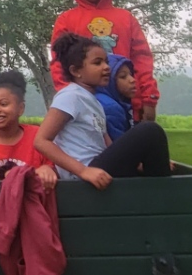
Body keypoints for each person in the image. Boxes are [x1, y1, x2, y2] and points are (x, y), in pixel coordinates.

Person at [35, 31, 170, 188]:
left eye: (106, 62)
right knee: (149, 130)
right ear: (76, 71)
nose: (106, 67)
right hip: (84, 173)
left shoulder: (94, 102)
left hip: (100, 168)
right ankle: (163, 197)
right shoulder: (70, 95)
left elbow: (108, 146)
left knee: (151, 141)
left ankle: (159, 196)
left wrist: (138, 160)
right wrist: (83, 171)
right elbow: (41, 141)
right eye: (98, 63)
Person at [48, 0, 159, 121]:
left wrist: (149, 98)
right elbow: (59, 62)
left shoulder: (126, 18)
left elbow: (142, 60)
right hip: (85, 101)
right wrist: (69, 95)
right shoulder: (66, 20)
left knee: (129, 145)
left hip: (127, 101)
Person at [0, 70, 58, 191]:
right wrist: (10, 176)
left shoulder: (38, 136)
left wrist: (47, 170)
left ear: (20, 108)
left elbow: (51, 169)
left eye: (3, 104)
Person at [96, 55, 136, 141]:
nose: (132, 80)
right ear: (109, 80)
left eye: (131, 75)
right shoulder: (111, 108)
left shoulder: (95, 98)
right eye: (123, 76)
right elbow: (120, 146)